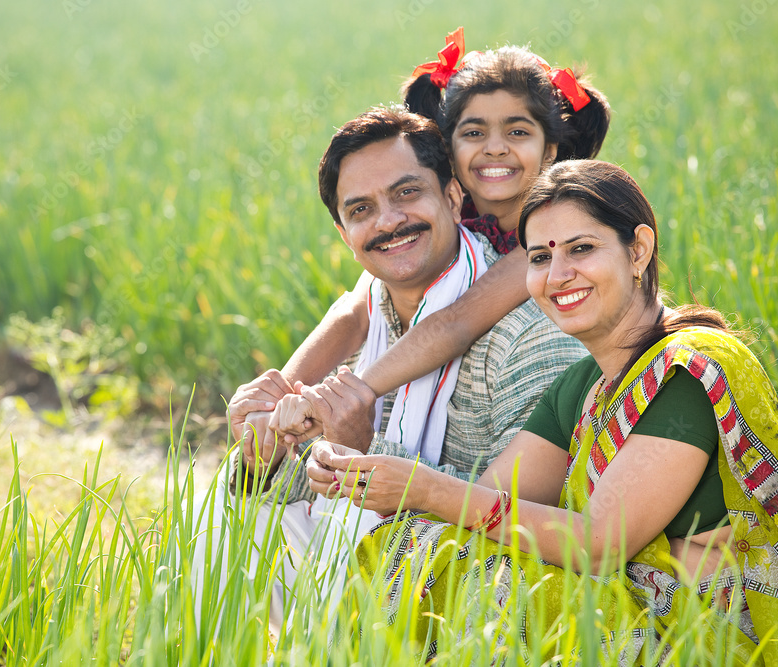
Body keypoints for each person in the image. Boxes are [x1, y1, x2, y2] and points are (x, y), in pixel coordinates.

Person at [314, 160, 778, 664]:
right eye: (540, 258)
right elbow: (489, 499)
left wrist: (426, 489)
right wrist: (370, 472)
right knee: (418, 545)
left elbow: (600, 545)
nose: (558, 275)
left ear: (638, 250)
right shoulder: (583, 386)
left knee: (476, 572)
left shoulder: (685, 372)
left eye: (581, 249)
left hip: (705, 637)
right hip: (624, 610)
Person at [199, 106, 585, 632]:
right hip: (390, 556)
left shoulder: (529, 334)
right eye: (361, 209)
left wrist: (363, 451)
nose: (387, 221)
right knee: (223, 509)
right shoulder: (365, 320)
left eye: (406, 193)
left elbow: (526, 514)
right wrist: (263, 452)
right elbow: (312, 487)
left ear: (453, 196)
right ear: (344, 233)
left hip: (485, 585)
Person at [229, 30, 611, 460]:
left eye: (518, 131)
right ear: (449, 150)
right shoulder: (449, 218)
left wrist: (356, 393)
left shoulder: (545, 239)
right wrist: (279, 396)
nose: (495, 148)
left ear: (550, 150)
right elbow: (353, 311)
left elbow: (454, 324)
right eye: (474, 132)